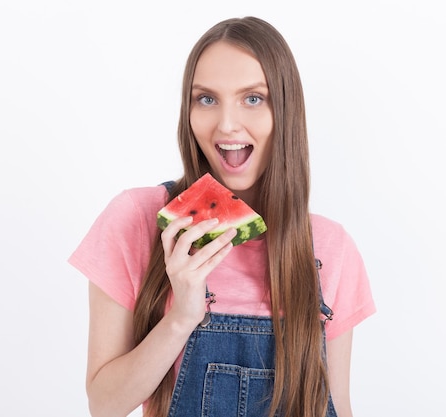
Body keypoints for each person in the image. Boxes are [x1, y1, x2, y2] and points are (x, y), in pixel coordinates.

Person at [69, 16, 376, 417]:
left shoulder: (330, 248)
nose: (227, 124)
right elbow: (104, 404)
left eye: (253, 98)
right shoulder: (138, 218)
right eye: (206, 99)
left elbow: (334, 405)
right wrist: (182, 316)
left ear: (285, 110)